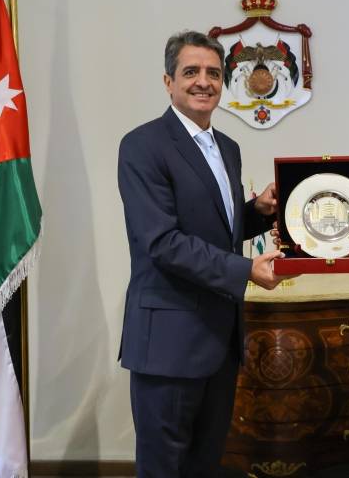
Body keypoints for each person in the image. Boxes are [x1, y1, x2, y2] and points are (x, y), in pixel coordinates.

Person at [117, 30, 284, 477]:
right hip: (169, 342)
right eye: (191, 71)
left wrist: (257, 212)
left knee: (204, 465)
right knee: (164, 468)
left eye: (213, 72)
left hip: (220, 340)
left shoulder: (227, 148)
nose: (203, 82)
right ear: (168, 81)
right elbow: (162, 241)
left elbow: (215, 232)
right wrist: (245, 270)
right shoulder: (142, 146)